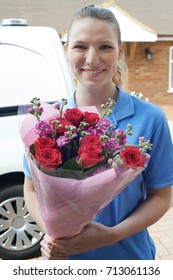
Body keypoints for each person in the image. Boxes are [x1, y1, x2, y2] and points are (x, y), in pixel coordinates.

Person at [23, 5, 173, 260]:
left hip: (128, 259)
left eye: (105, 46)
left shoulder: (150, 119)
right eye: (80, 46)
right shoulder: (47, 120)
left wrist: (112, 235)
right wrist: (50, 233)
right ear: (66, 51)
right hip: (66, 261)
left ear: (120, 52)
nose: (92, 59)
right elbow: (31, 190)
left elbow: (161, 196)